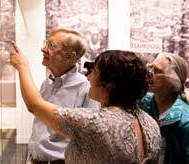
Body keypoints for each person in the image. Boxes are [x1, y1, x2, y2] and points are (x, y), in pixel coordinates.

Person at [10, 47, 161, 163]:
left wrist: (22, 66)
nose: (88, 77)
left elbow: (35, 105)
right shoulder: (150, 123)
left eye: (94, 72)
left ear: (109, 84)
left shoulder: (93, 122)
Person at [26, 28, 99, 164]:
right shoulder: (46, 84)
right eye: (45, 43)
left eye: (51, 46)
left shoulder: (86, 89)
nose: (43, 49)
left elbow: (89, 135)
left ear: (69, 57)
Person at [137, 53, 189, 164]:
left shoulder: (185, 120)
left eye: (157, 71)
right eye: (150, 67)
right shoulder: (141, 102)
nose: (149, 73)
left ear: (173, 81)